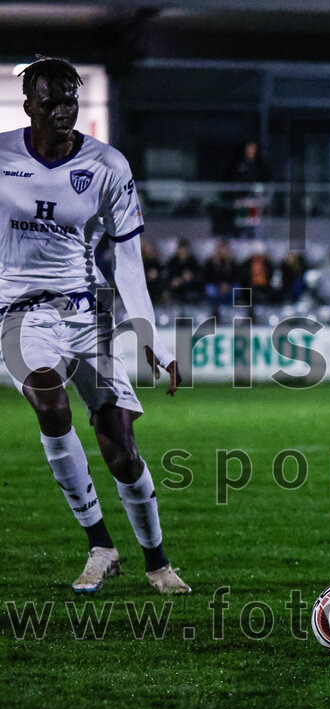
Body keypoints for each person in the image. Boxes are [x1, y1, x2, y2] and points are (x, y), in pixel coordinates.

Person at [0, 57, 190, 594]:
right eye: (52, 100)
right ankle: (100, 545)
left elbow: (128, 260)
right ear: (29, 105)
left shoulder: (108, 166)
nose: (64, 109)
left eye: (71, 99)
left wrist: (147, 333)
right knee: (48, 399)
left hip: (86, 314)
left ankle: (157, 561)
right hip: (18, 315)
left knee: (120, 447)